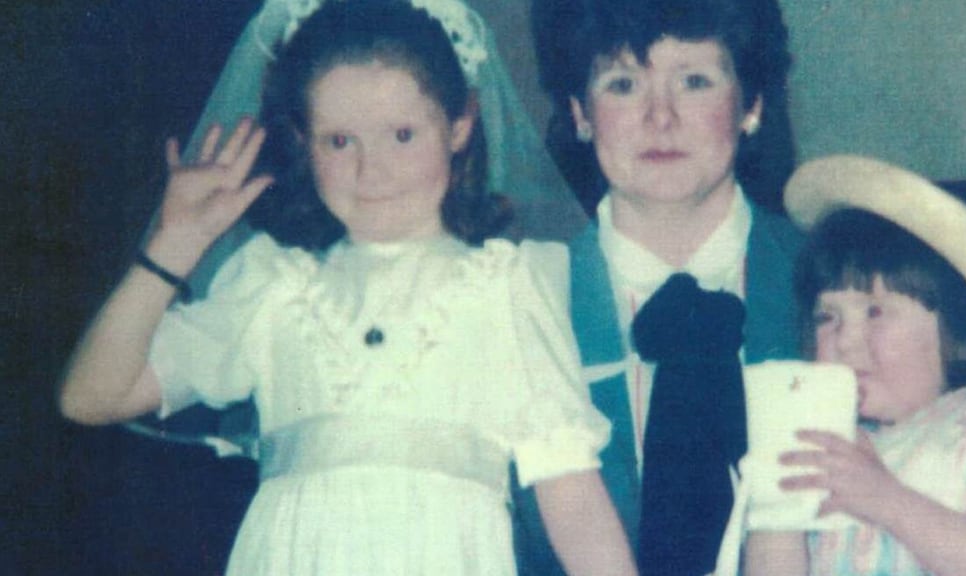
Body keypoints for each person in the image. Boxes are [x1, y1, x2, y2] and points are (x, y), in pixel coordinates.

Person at [58, 2, 638, 574]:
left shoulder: (511, 285)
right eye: (339, 141)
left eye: (403, 135)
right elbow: (90, 397)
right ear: (305, 145)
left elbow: (573, 498)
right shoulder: (270, 284)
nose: (371, 170)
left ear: (460, 125)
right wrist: (170, 251)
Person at [518, 0, 804, 573]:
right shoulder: (523, 300)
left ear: (751, 105)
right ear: (579, 113)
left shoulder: (825, 282)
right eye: (623, 84)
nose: (661, 117)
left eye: (695, 81)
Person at [744, 155, 966, 576]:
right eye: (827, 317)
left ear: (953, 324)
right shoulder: (829, 447)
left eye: (875, 311)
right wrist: (775, 502)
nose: (845, 338)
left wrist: (883, 497)